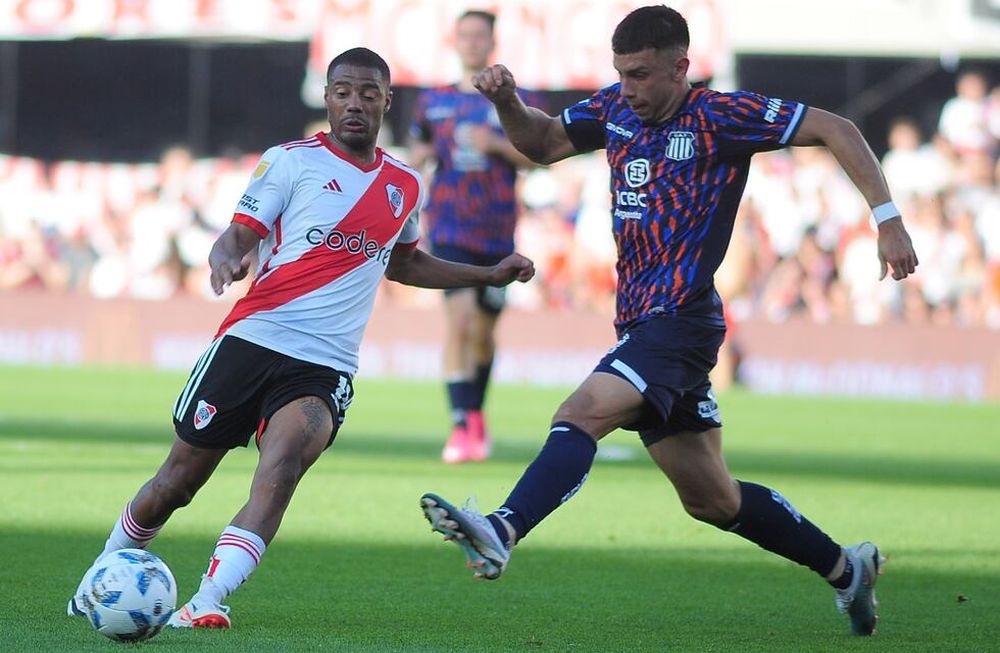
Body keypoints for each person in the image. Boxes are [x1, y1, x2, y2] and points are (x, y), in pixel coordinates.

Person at [419, 5, 918, 637]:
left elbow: (837, 127)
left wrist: (887, 218)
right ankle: (847, 569)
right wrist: (509, 101)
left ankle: (502, 528)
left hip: (680, 319)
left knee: (581, 413)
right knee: (712, 498)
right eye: (622, 73)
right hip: (639, 323)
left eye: (643, 74)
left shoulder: (721, 116)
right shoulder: (615, 109)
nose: (629, 87)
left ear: (682, 68)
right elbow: (541, 143)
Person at [67, 47, 534, 631]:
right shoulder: (289, 162)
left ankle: (209, 600)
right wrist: (227, 261)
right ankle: (101, 573)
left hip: (324, 365)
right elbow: (238, 236)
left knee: (282, 467)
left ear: (388, 101)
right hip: (253, 339)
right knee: (178, 480)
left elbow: (405, 264)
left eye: (368, 93)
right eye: (343, 92)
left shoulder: (404, 185)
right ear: (327, 98)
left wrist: (486, 273)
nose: (355, 104)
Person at [408, 10, 542, 463]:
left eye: (478, 35)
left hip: (498, 230)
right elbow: (419, 150)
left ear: (491, 41)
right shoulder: (433, 100)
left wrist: (498, 146)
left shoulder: (514, 100)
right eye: (463, 34)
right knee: (459, 322)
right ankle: (461, 423)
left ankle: (476, 413)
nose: (470, 42)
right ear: (455, 40)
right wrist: (419, 157)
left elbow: (539, 154)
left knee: (484, 332)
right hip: (447, 226)